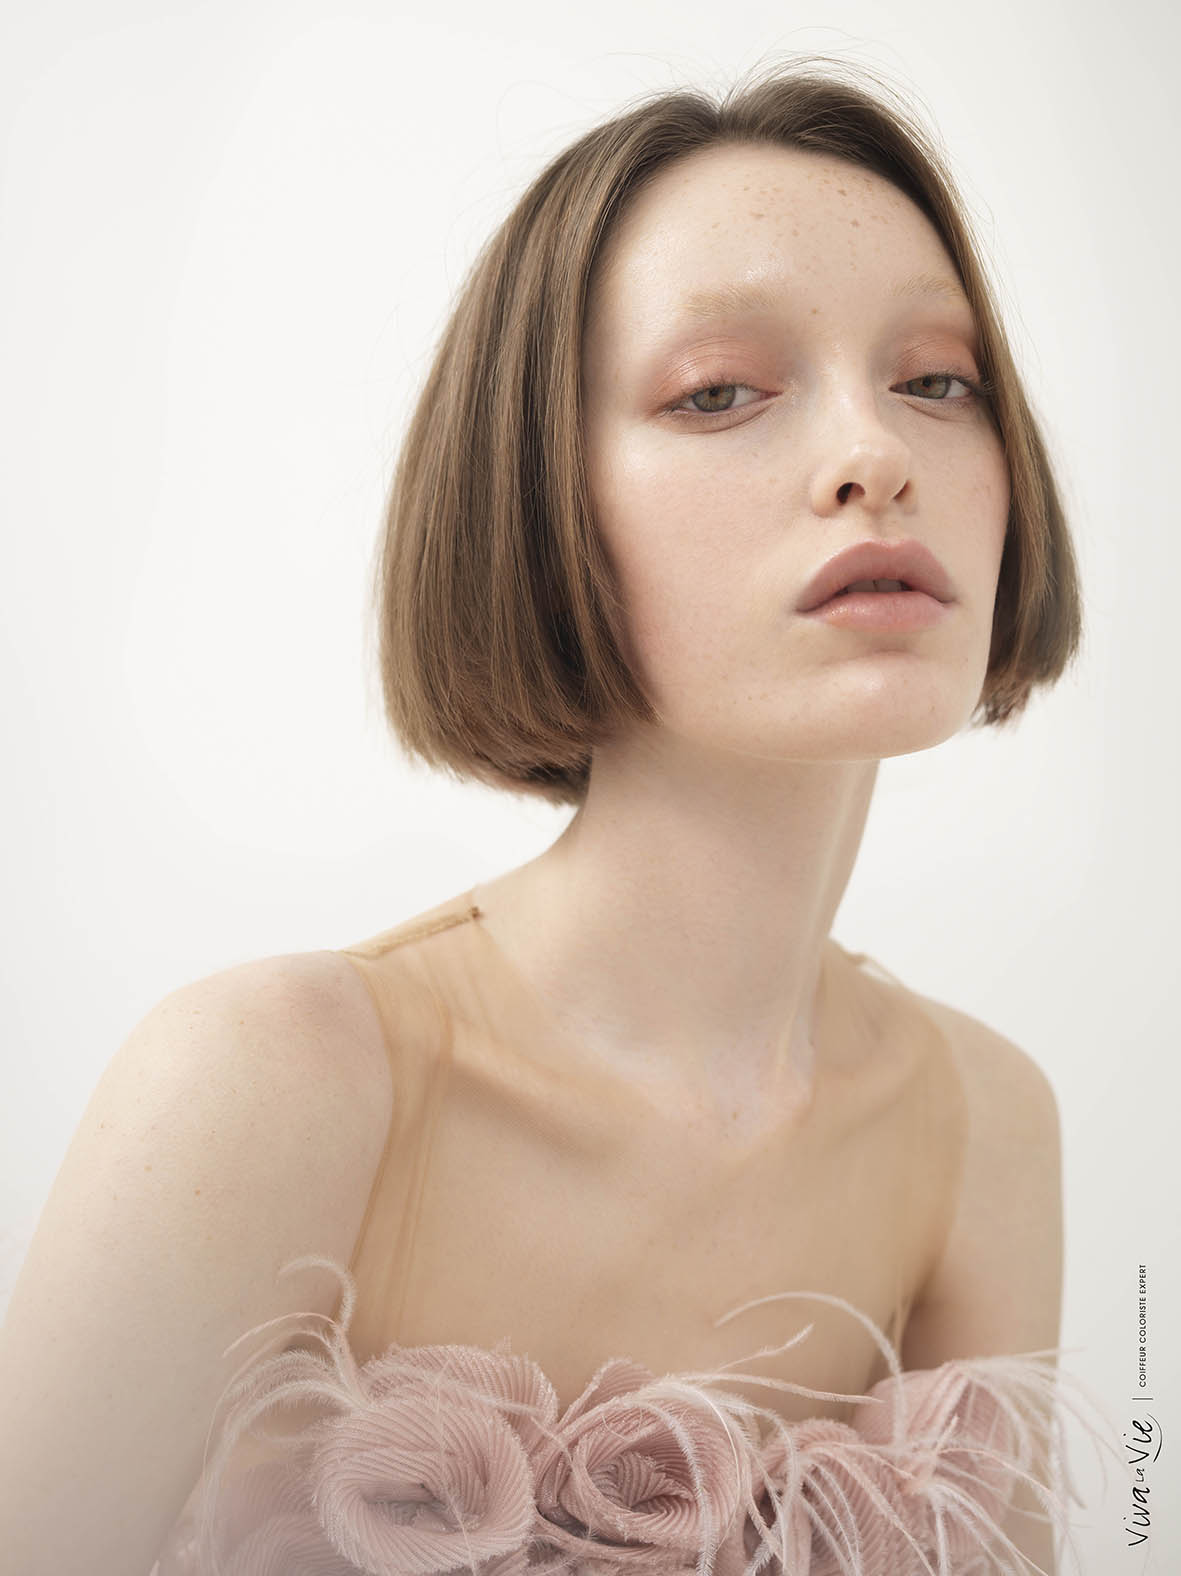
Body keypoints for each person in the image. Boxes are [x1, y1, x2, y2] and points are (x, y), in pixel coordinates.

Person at [0, 56, 1113, 1576]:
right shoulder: (274, 1082)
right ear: (533, 499)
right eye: (717, 392)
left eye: (937, 380)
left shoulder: (985, 1127)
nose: (878, 455)